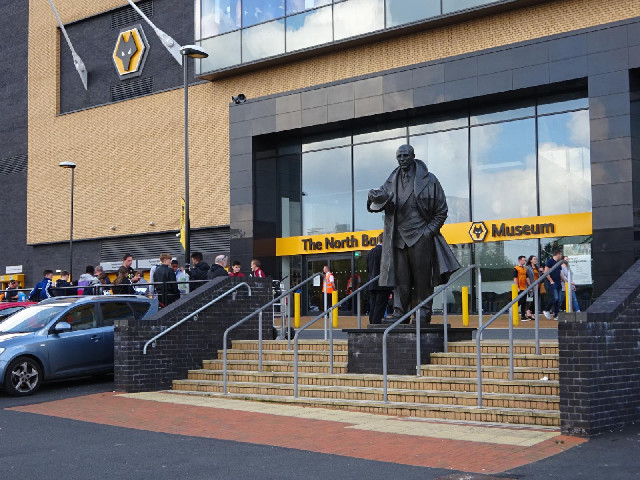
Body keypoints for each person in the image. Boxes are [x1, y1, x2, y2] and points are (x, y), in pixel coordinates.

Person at [367, 144, 460, 323]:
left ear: (413, 156)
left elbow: (441, 210)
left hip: (420, 236)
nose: (401, 159)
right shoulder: (391, 180)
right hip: (398, 237)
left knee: (422, 278)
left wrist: (428, 231)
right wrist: (373, 196)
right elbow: (381, 200)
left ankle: (423, 312)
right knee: (401, 278)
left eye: (404, 156)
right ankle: (400, 313)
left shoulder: (429, 180)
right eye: (399, 156)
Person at [367, 237, 393, 325]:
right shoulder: (385, 252)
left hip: (372, 283)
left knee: (373, 306)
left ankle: (372, 324)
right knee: (380, 307)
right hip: (382, 284)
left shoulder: (370, 252)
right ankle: (375, 325)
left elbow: (368, 268)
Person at [543, 248, 564, 320]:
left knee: (559, 300)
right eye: (560, 254)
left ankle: (556, 314)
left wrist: (565, 281)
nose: (561, 255)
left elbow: (560, 273)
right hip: (553, 283)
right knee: (555, 297)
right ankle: (546, 310)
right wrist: (551, 281)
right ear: (558, 254)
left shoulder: (558, 263)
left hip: (558, 283)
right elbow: (546, 272)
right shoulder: (550, 261)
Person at [524, 255, 545, 319]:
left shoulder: (537, 268)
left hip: (537, 286)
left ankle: (531, 312)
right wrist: (530, 286)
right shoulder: (528, 268)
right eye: (534, 259)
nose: (535, 260)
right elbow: (527, 277)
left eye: (536, 259)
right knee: (532, 299)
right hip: (532, 285)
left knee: (536, 300)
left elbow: (540, 276)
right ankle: (528, 311)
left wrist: (542, 271)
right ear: (531, 260)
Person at [513, 256, 529, 321]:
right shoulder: (516, 268)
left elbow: (527, 278)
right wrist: (517, 287)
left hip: (524, 287)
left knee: (524, 302)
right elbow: (515, 278)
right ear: (519, 260)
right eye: (523, 260)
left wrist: (530, 286)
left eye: (525, 260)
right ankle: (513, 308)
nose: (524, 261)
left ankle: (523, 316)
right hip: (519, 287)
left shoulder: (524, 269)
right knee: (521, 300)